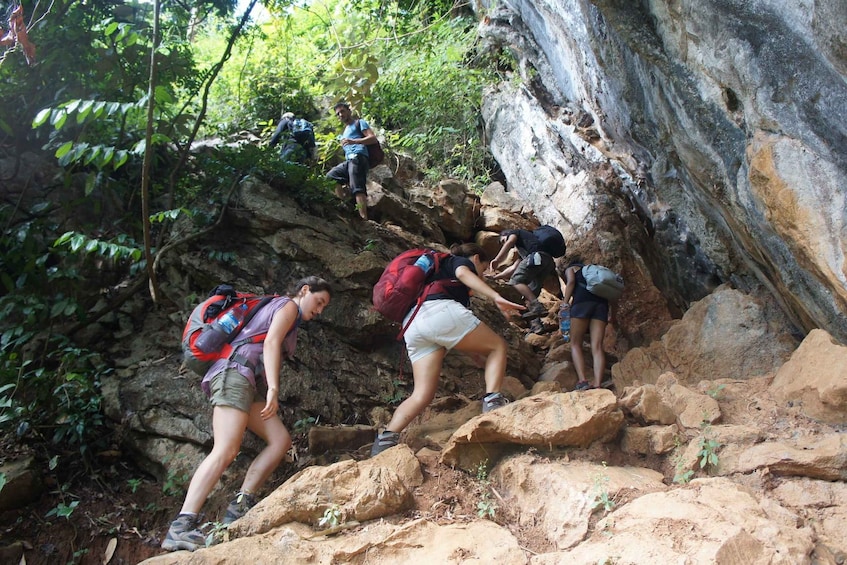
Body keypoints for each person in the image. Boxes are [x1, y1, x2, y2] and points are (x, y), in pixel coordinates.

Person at [162, 276, 333, 552]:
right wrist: (274, 390)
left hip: (245, 380)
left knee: (279, 440)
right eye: (319, 301)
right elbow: (271, 343)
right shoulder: (287, 307)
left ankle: (240, 506)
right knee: (226, 450)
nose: (320, 310)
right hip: (234, 374)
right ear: (304, 291)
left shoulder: (279, 309)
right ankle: (181, 525)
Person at [370, 243, 525, 457]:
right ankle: (493, 402)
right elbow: (463, 273)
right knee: (498, 346)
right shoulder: (457, 261)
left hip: (413, 325)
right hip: (438, 310)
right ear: (477, 258)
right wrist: (495, 296)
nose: (483, 274)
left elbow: (455, 335)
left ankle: (385, 441)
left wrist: (475, 353)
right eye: (484, 268)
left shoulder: (434, 274)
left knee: (422, 394)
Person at [487, 228, 561, 334]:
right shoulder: (526, 247)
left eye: (503, 240)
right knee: (528, 296)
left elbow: (510, 241)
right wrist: (496, 277)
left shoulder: (515, 232)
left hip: (536, 257)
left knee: (516, 281)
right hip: (546, 262)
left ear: (507, 234)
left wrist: (497, 260)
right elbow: (513, 268)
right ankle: (537, 326)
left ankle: (538, 306)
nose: (505, 243)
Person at [561, 260, 612, 390]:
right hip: (601, 306)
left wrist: (565, 303)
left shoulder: (571, 269)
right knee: (597, 346)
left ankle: (583, 380)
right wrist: (612, 315)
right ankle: (598, 383)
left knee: (575, 343)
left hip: (581, 304)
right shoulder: (598, 273)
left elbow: (571, 281)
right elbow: (612, 292)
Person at [325, 102, 378, 220]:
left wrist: (354, 141)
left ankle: (363, 217)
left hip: (358, 157)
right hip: (350, 160)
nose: (340, 115)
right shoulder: (345, 130)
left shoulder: (359, 123)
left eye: (342, 111)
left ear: (349, 111)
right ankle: (344, 208)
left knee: (357, 186)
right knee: (332, 176)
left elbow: (372, 138)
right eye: (338, 114)